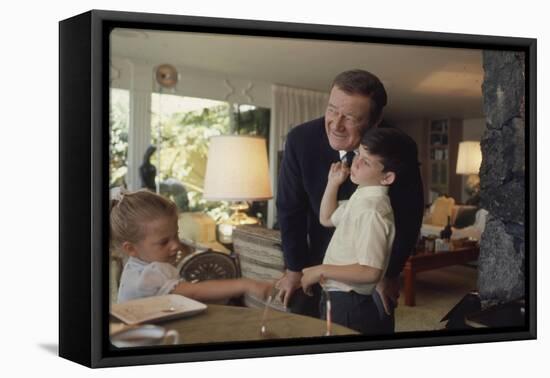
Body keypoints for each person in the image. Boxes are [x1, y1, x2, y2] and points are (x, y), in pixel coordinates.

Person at [276, 69, 424, 332]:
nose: (335, 124)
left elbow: (409, 215)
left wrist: (387, 272)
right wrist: (295, 268)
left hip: (366, 275)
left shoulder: (398, 147)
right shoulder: (300, 140)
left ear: (375, 121)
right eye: (332, 110)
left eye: (350, 117)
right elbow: (290, 209)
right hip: (312, 262)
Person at [300, 128, 419, 334]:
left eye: (366, 162)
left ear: (387, 177)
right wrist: (332, 183)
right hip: (338, 296)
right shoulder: (362, 196)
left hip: (350, 304)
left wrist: (320, 270)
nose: (354, 163)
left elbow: (370, 271)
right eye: (358, 155)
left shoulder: (372, 210)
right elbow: (327, 218)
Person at [110, 189, 273, 304]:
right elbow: (196, 292)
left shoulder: (136, 265)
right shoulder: (149, 276)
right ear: (130, 248)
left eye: (176, 235)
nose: (175, 245)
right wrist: (245, 284)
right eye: (164, 242)